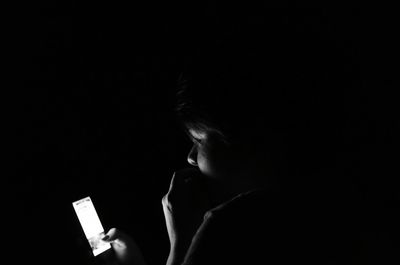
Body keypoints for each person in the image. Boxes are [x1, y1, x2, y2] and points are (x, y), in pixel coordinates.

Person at [101, 11, 364, 265]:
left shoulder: (229, 229)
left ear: (251, 144)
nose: (191, 157)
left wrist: (181, 244)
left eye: (200, 140)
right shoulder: (342, 211)